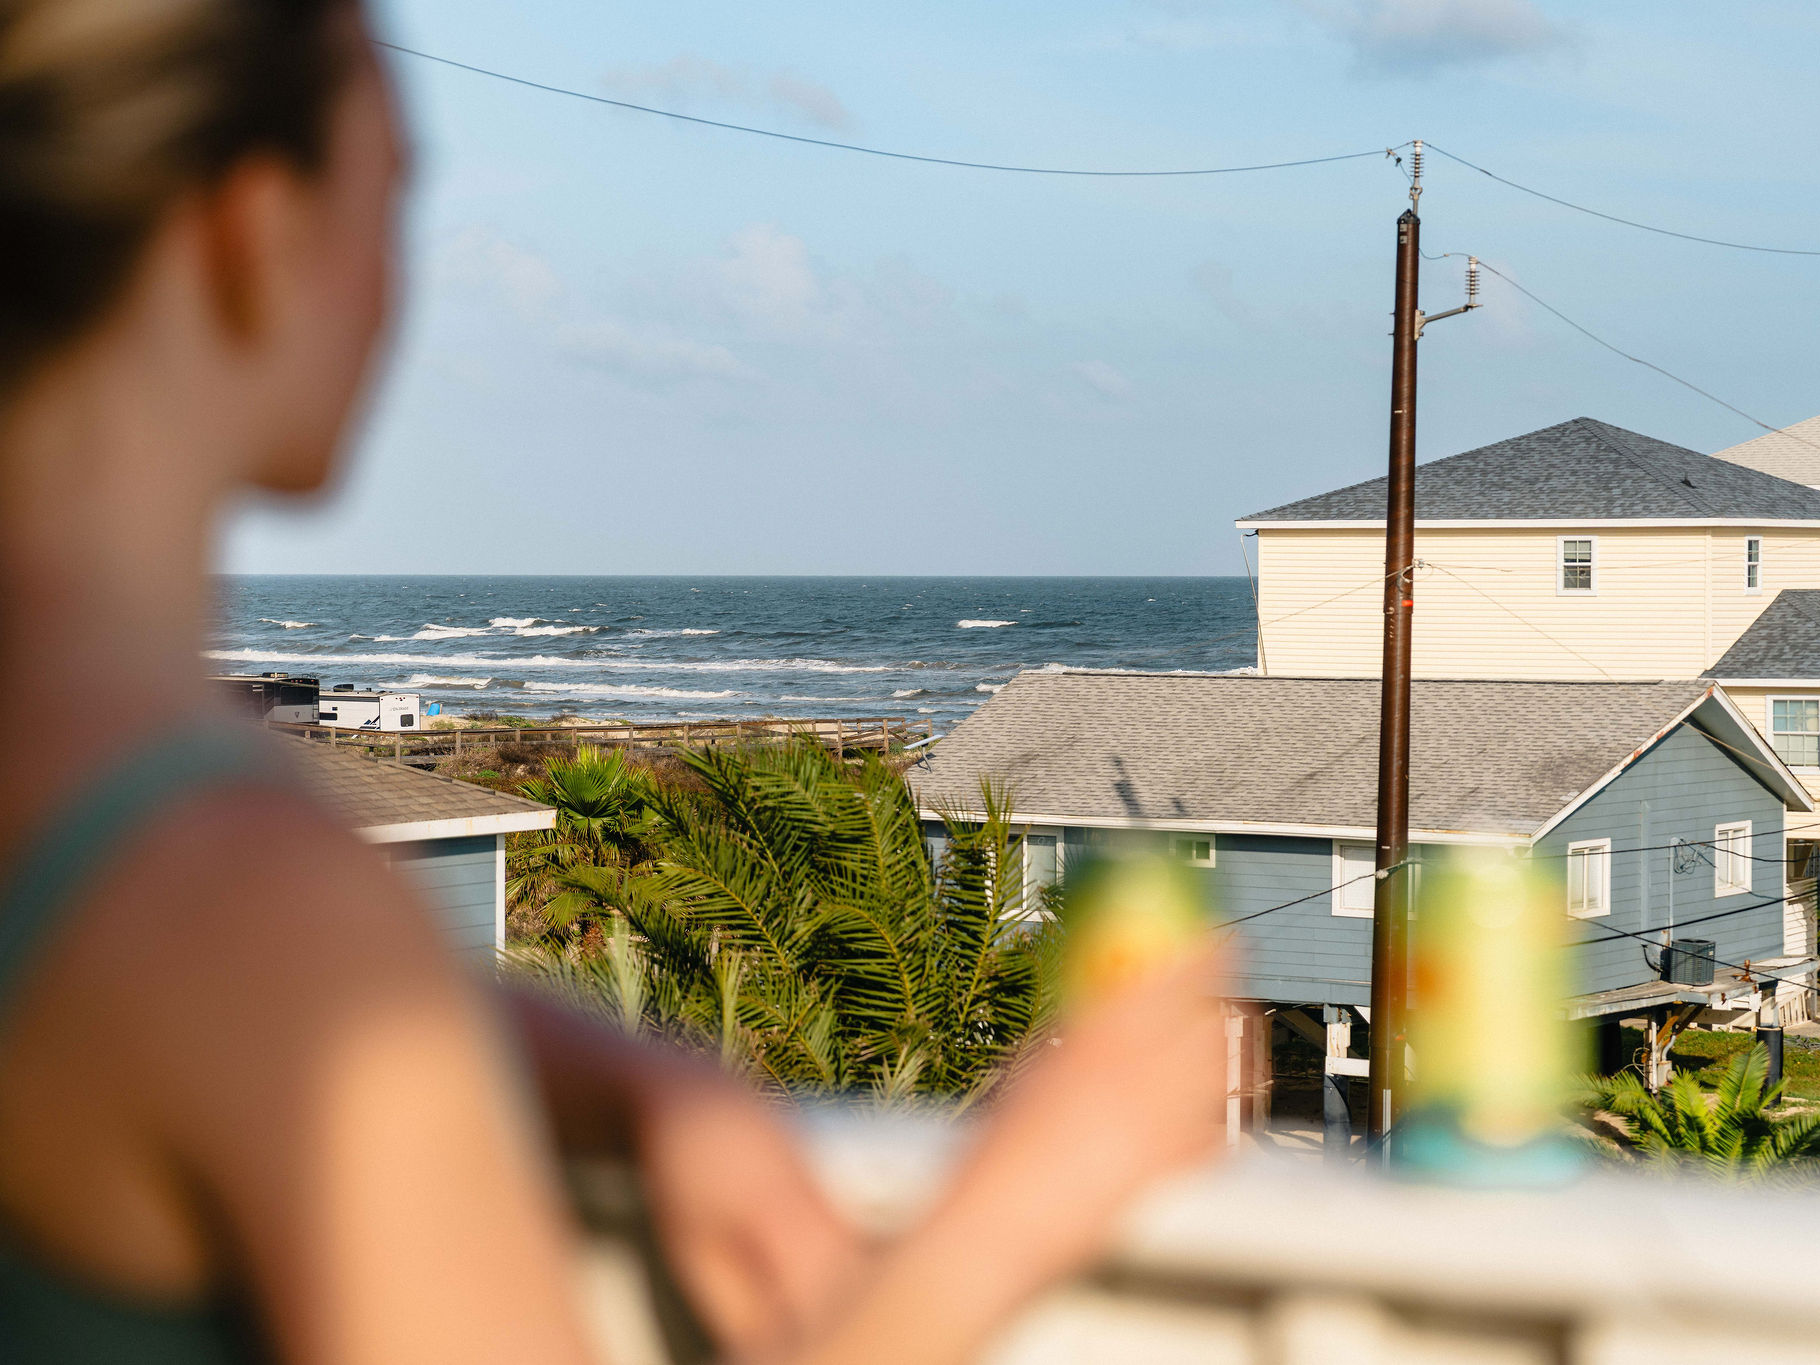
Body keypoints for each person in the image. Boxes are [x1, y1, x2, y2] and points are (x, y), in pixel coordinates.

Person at [0, 3, 1224, 1361]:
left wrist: (601, 1065)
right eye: (392, 196)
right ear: (253, 234)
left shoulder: (127, 849)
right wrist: (1021, 1205)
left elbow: (199, 1003)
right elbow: (245, 962)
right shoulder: (253, 894)